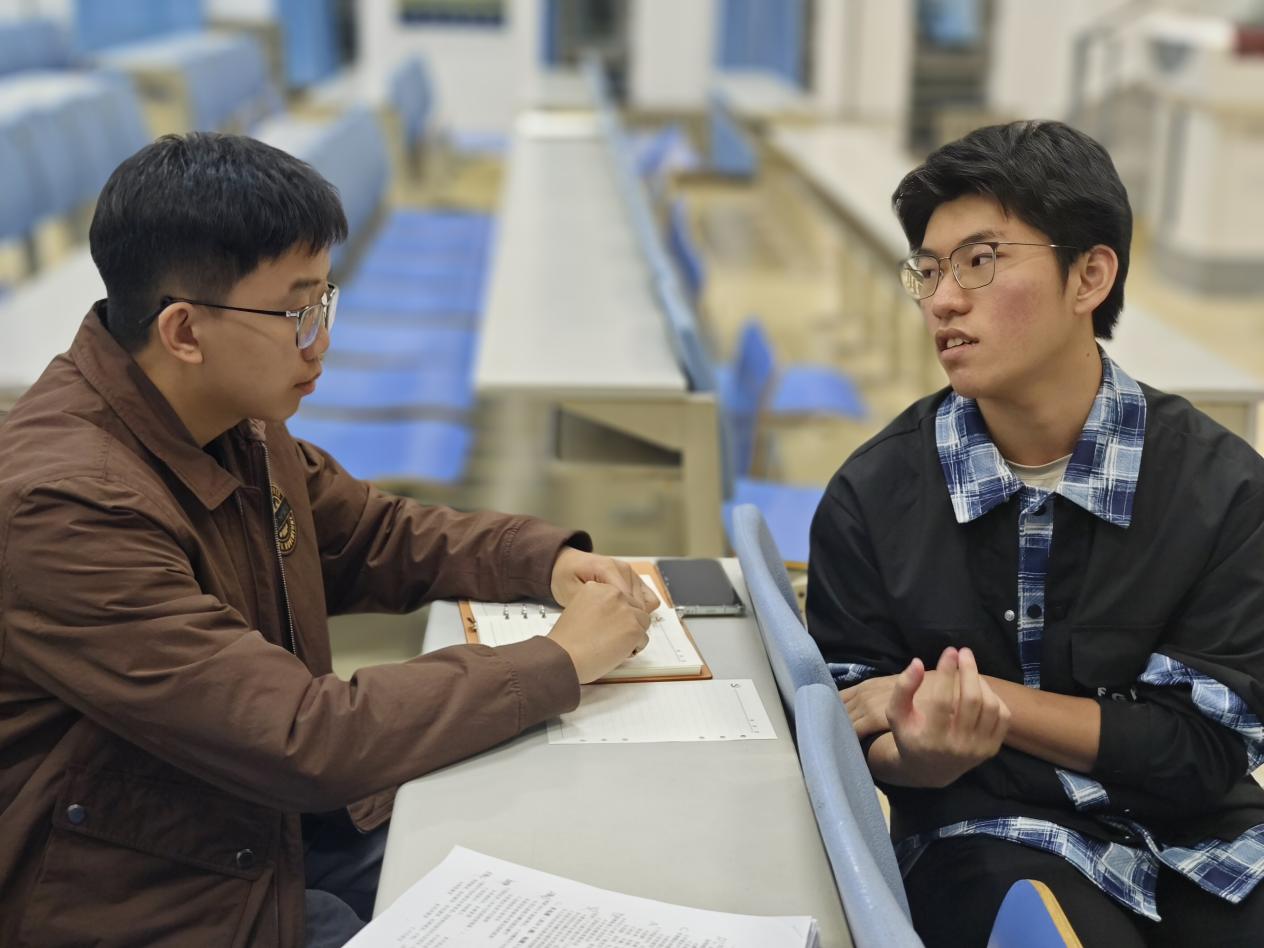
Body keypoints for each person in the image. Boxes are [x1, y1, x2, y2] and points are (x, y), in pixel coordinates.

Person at [0, 132, 661, 947]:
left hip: (253, 825)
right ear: (183, 332)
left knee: (551, 854)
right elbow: (300, 736)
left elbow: (375, 536)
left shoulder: (229, 416)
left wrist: (545, 560)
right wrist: (558, 660)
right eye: (296, 313)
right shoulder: (65, 507)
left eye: (325, 303)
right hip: (148, 893)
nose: (319, 341)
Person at [806, 120, 1264, 945]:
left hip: (1204, 844)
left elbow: (1201, 752)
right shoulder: (871, 498)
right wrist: (922, 757)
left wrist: (997, 706)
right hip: (989, 837)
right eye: (929, 270)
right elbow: (855, 723)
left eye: (980, 261)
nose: (944, 300)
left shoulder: (1222, 489)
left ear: (1089, 275)